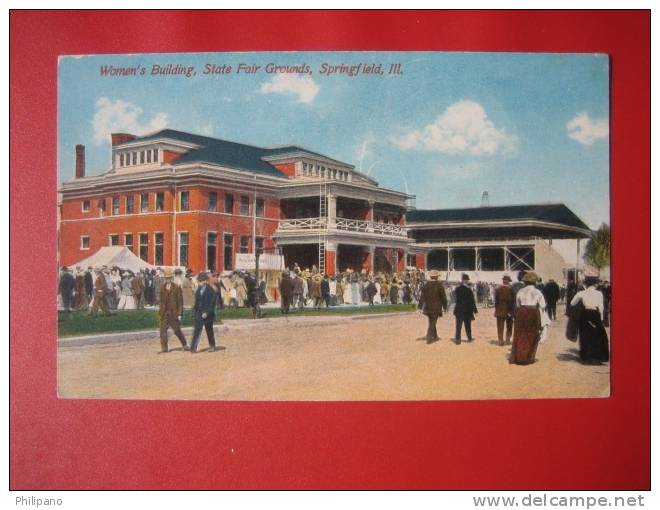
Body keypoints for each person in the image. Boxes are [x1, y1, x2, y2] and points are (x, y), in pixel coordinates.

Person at [510, 272, 548, 365]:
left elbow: (518, 304)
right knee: (532, 334)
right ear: (535, 282)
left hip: (521, 312)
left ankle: (519, 356)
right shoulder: (537, 292)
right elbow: (543, 305)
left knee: (520, 333)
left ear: (525, 282)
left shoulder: (520, 291)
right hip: (532, 312)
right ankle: (528, 357)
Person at [570, 276, 610, 364]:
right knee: (597, 334)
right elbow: (601, 307)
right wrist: (602, 319)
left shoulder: (582, 293)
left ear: (586, 284)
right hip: (595, 314)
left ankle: (587, 356)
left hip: (585, 314)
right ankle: (598, 356)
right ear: (595, 284)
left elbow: (572, 303)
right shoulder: (599, 293)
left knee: (585, 334)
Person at [158, 268, 190, 353]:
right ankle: (164, 348)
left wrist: (180, 314)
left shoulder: (176, 288)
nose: (167, 279)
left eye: (169, 278)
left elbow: (180, 302)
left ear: (172, 278)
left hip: (174, 313)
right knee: (162, 330)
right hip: (165, 313)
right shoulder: (162, 288)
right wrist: (161, 311)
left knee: (177, 330)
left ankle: (184, 344)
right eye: (166, 278)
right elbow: (161, 301)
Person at [190, 272, 218, 353]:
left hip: (208, 314)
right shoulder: (198, 289)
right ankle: (193, 348)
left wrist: (207, 313)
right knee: (197, 330)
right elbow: (197, 302)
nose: (199, 283)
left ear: (205, 281)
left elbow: (212, 304)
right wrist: (194, 310)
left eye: (201, 281)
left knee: (209, 330)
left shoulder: (211, 290)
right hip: (199, 312)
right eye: (199, 281)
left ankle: (212, 346)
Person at [418, 270, 448, 343]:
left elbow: (422, 297)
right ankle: (429, 337)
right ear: (437, 277)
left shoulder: (426, 285)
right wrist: (445, 307)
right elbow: (443, 297)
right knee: (433, 322)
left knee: (431, 321)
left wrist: (419, 307)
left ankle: (435, 336)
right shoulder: (439, 285)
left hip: (428, 307)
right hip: (436, 307)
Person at [453, 274, 478, 344]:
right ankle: (469, 338)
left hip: (459, 309)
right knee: (468, 325)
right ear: (466, 280)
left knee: (458, 326)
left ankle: (457, 339)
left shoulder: (457, 289)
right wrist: (475, 311)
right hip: (467, 310)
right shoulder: (469, 290)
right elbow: (472, 301)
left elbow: (455, 298)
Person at [494, 275, 515, 346]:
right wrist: (512, 311)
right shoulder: (511, 289)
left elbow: (496, 301)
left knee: (500, 326)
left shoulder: (498, 289)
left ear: (503, 281)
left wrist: (496, 309)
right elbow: (513, 301)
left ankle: (500, 340)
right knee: (509, 326)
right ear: (508, 281)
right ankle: (508, 339)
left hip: (500, 310)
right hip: (509, 310)